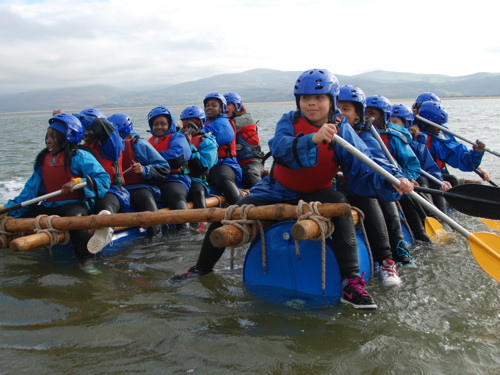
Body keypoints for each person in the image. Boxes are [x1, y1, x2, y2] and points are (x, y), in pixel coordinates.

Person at [175, 69, 414, 310]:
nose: (311, 103)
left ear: (331, 101)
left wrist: (394, 179)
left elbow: (365, 163)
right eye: (305, 98)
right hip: (276, 189)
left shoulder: (343, 128)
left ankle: (351, 282)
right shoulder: (289, 120)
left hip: (315, 192)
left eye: (319, 98)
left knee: (340, 206)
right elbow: (280, 148)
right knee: (226, 216)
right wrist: (313, 139)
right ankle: (201, 268)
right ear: (298, 101)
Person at [2, 113, 110, 269]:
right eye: (47, 136)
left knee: (76, 219)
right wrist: (7, 209)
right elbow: (30, 192)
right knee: (19, 215)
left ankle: (86, 259)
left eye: (53, 136)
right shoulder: (43, 159)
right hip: (50, 206)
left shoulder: (80, 156)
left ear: (68, 136)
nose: (48, 140)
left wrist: (80, 182)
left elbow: (103, 180)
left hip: (74, 205)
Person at [337, 85, 411, 286]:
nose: (340, 113)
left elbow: (378, 163)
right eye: (336, 108)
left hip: (359, 187)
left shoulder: (365, 136)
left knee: (370, 197)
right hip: (331, 189)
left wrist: (398, 178)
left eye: (346, 109)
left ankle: (388, 258)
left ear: (358, 114)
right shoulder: (323, 129)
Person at [365, 95, 419, 266]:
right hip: (365, 183)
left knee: (390, 207)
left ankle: (400, 247)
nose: (368, 117)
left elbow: (412, 166)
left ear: (384, 116)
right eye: (365, 112)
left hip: (390, 183)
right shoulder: (355, 133)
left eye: (373, 113)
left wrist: (406, 179)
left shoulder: (393, 137)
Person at [108, 113, 170, 236]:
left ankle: (156, 235)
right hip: (116, 191)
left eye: (118, 134)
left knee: (144, 197)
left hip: (138, 189)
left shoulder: (139, 144)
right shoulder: (106, 147)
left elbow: (164, 168)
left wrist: (144, 170)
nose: (115, 138)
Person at [77, 108, 129, 253]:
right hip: (90, 191)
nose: (86, 132)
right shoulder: (81, 149)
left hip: (113, 191)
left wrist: (72, 117)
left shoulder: (112, 144)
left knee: (104, 203)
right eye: (83, 129)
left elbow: (103, 127)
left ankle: (105, 227)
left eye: (89, 129)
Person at [414, 101, 489, 187]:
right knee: (450, 180)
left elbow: (461, 157)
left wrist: (476, 153)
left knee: (452, 179)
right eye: (437, 124)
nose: (440, 127)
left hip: (436, 174)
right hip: (424, 176)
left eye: (441, 124)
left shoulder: (441, 136)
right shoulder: (420, 137)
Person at [147, 106, 192, 230]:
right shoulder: (149, 141)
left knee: (175, 195)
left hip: (175, 178)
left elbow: (178, 156)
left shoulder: (177, 137)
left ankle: (185, 229)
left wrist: (153, 159)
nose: (159, 127)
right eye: (155, 124)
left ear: (170, 124)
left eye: (163, 124)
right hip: (155, 180)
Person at [179, 105, 218, 232]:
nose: (186, 130)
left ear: (199, 125)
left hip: (198, 179)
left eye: (190, 127)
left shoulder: (207, 142)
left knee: (197, 190)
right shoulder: (177, 139)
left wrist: (190, 147)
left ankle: (202, 222)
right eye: (184, 127)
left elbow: (202, 167)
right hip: (180, 178)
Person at [203, 93, 243, 204]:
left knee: (222, 178)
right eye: (207, 105)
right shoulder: (203, 124)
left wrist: (200, 135)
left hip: (225, 163)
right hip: (208, 167)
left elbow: (224, 137)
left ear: (221, 108)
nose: (210, 107)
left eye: (214, 105)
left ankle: (240, 206)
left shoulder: (223, 123)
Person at [224, 93, 265, 188]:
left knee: (249, 173)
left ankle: (262, 194)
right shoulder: (223, 122)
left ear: (237, 106)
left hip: (251, 162)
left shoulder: (246, 119)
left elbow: (229, 126)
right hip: (235, 164)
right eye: (223, 105)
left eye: (228, 104)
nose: (224, 108)